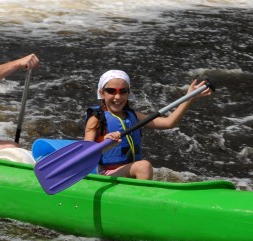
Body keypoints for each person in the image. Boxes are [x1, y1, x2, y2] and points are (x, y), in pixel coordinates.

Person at [83, 70, 213, 179]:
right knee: (143, 166)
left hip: (129, 171)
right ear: (102, 93)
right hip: (107, 174)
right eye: (111, 91)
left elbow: (169, 123)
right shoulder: (96, 119)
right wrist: (105, 144)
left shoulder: (133, 116)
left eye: (123, 91)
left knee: (143, 167)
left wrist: (189, 98)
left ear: (128, 93)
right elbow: (85, 155)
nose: (117, 97)